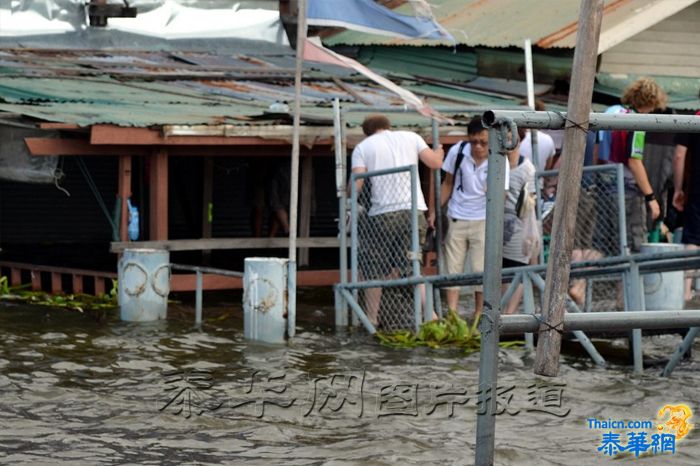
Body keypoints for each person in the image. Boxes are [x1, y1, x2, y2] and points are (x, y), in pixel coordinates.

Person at [351, 114, 444, 326]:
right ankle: (431, 316)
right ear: (388, 126)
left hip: (382, 213)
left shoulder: (363, 147)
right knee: (413, 266)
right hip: (413, 211)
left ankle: (372, 319)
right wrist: (439, 151)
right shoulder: (411, 137)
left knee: (374, 269)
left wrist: (346, 191)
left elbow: (357, 185)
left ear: (367, 131)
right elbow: (434, 163)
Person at [428, 116, 507, 321]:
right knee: (453, 268)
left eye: (483, 142)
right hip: (457, 216)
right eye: (474, 142)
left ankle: (480, 313)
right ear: (468, 138)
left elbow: (501, 193)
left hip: (483, 220)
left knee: (482, 269)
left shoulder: (499, 157)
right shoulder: (458, 151)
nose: (478, 147)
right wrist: (435, 211)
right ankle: (453, 314)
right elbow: (447, 183)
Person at [602, 77, 668, 253]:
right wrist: (650, 197)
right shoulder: (637, 122)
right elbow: (634, 161)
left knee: (612, 243)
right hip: (628, 191)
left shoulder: (611, 112)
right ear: (650, 101)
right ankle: (630, 281)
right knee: (634, 242)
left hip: (605, 187)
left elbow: (597, 150)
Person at [502, 128, 537, 314]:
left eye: (511, 139)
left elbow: (530, 201)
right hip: (498, 225)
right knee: (501, 270)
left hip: (519, 224)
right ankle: (503, 312)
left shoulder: (527, 168)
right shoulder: (498, 164)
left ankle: (509, 313)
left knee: (518, 268)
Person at [672, 110, 700, 302]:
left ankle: (686, 291)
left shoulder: (694, 117)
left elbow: (679, 156)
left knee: (692, 237)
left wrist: (678, 188)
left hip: (697, 187)